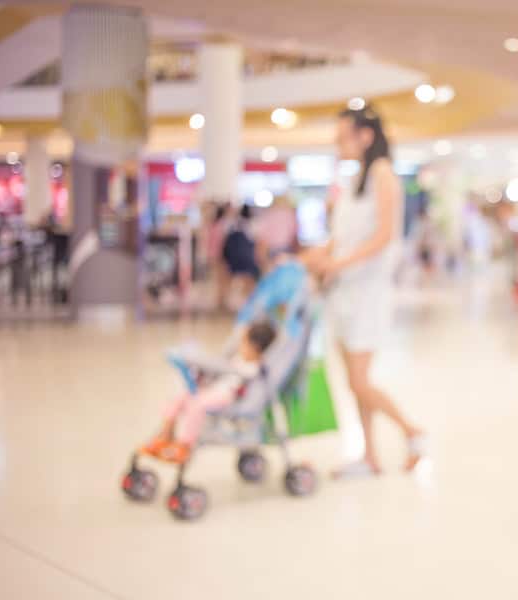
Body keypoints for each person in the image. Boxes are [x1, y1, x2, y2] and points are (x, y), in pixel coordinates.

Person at [304, 106, 424, 478]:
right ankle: (369, 456)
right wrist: (319, 255)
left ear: (365, 137)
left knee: (359, 380)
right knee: (353, 382)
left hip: (367, 293)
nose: (337, 145)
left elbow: (384, 237)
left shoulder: (384, 175)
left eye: (343, 137)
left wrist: (337, 264)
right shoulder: (356, 179)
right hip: (343, 293)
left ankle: (412, 432)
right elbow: (343, 238)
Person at [142, 321, 277, 463]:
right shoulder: (240, 359)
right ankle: (166, 434)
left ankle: (184, 446)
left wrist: (209, 365)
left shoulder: (253, 367)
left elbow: (229, 371)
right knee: (181, 398)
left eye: (244, 343)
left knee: (197, 404)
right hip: (215, 389)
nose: (240, 346)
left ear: (255, 348)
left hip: (227, 396)